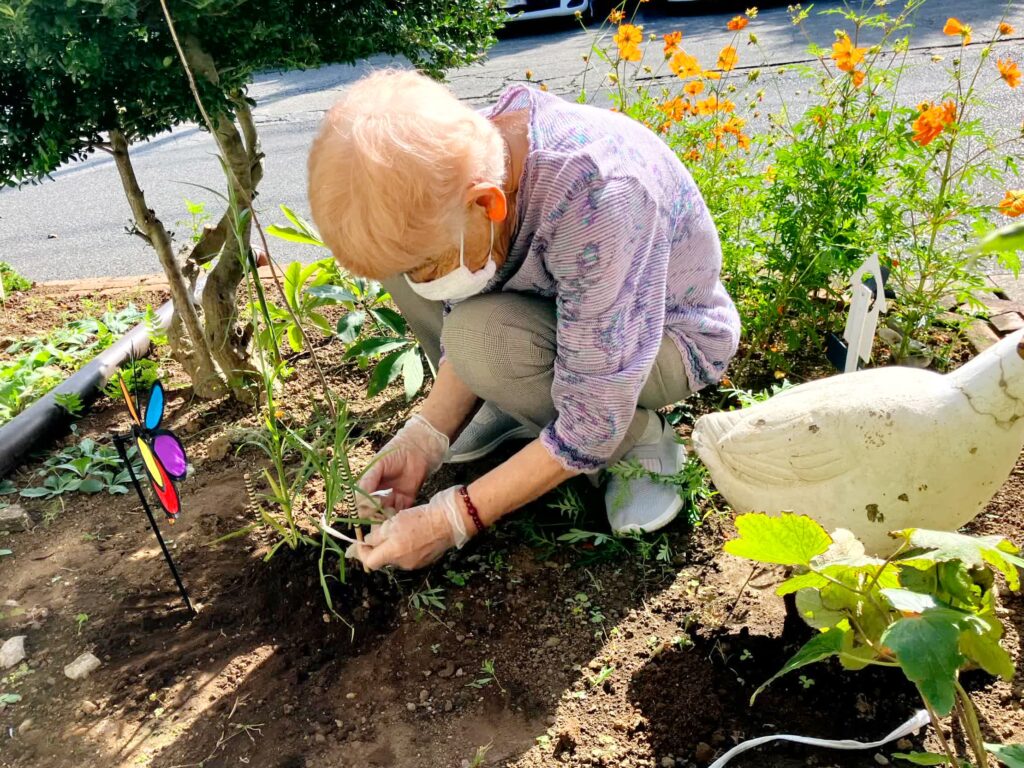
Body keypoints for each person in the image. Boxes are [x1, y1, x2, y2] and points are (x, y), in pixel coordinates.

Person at [307, 70, 740, 571]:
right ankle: (508, 397)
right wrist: (424, 438)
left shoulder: (599, 194)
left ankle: (637, 440)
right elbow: (460, 291)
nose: (420, 282)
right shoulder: (460, 165)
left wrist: (454, 518)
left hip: (661, 340)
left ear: (485, 203)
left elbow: (591, 414)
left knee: (482, 341)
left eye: (427, 267)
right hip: (561, 314)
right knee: (411, 259)